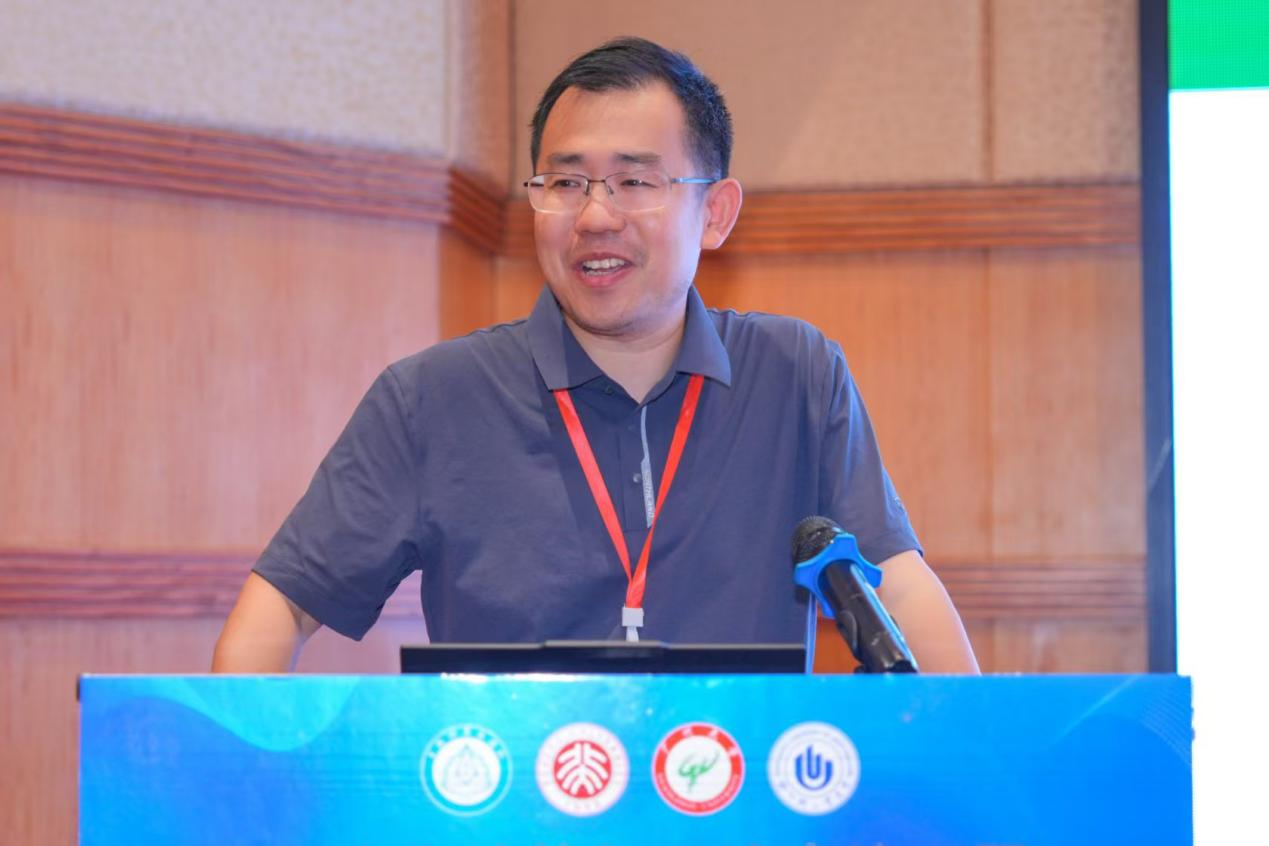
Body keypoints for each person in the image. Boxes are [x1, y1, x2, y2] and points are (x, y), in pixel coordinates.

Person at [212, 37, 979, 674]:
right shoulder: (432, 398)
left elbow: (897, 586)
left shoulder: (794, 373)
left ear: (714, 213)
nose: (595, 215)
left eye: (634, 180)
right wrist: (235, 780)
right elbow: (280, 604)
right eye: (565, 181)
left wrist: (982, 768)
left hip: (739, 789)